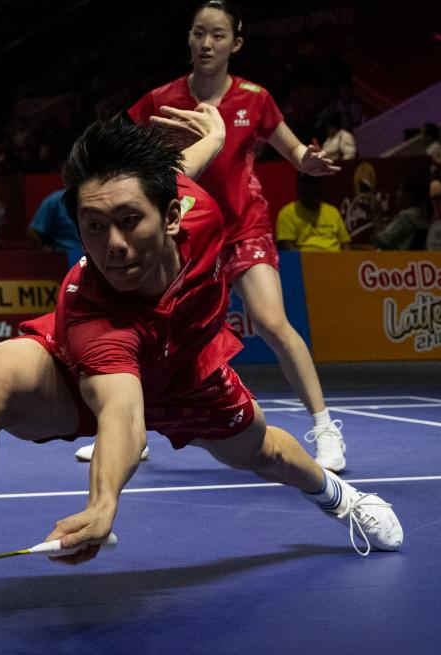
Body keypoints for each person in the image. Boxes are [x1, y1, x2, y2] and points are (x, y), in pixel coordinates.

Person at [0, 116, 403, 655]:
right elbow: (121, 413)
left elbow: (172, 173)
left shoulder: (200, 213)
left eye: (128, 221)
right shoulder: (92, 308)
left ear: (172, 216)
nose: (113, 245)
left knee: (264, 452)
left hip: (188, 371)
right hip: (97, 371)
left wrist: (215, 140)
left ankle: (343, 500)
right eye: (93, 226)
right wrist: (102, 503)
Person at [77, 0, 348, 472]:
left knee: (271, 322)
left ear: (235, 43)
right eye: (199, 32)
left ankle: (325, 428)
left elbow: (294, 151)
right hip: (181, 231)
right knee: (146, 330)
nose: (206, 43)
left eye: (218, 35)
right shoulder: (160, 99)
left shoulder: (255, 98)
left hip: (243, 226)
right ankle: (130, 433)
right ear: (188, 37)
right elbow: (121, 151)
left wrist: (310, 161)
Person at [275, 173, 350, 252]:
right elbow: (287, 248)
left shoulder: (333, 212)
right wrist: (313, 258)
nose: (311, 188)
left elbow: (345, 244)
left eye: (315, 183)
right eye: (307, 183)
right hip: (304, 258)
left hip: (334, 257)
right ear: (299, 187)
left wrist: (346, 258)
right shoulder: (287, 213)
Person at [28, 188, 84, 267]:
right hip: (67, 257)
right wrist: (49, 254)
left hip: (92, 256)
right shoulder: (55, 200)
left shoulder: (93, 199)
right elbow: (33, 232)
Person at [372, 177, 429, 251]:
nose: (397, 193)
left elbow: (382, 241)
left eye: (401, 189)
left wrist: (377, 215)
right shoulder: (419, 214)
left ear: (411, 196)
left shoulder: (406, 217)